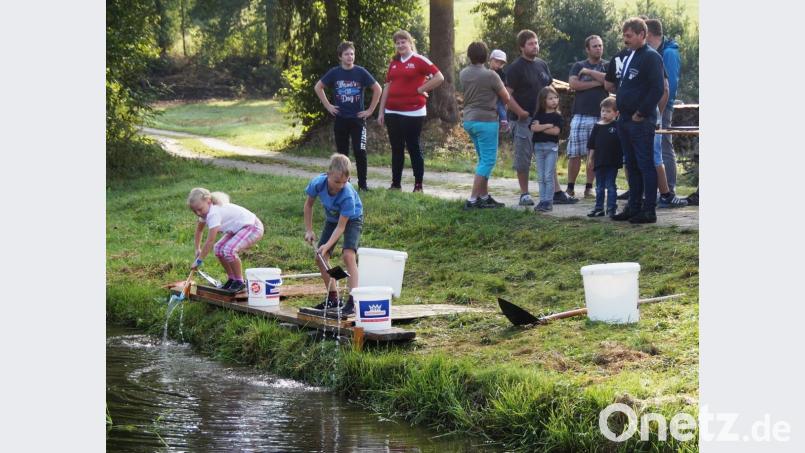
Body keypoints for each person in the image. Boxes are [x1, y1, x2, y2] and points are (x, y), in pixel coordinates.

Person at [505, 29, 577, 207]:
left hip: (545, 118)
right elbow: (506, 95)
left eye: (536, 42)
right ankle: (524, 194)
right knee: (524, 157)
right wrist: (520, 111)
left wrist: (554, 108)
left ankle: (556, 192)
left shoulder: (542, 64)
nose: (535, 46)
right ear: (522, 47)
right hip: (524, 120)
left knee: (549, 153)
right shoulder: (515, 68)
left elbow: (549, 88)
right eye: (531, 43)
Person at [609, 17, 665, 224]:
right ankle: (634, 207)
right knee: (631, 165)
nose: (626, 40)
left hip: (640, 121)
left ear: (643, 35)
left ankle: (649, 210)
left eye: (629, 36)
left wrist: (641, 112)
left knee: (645, 164)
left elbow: (658, 88)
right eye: (624, 36)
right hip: (624, 119)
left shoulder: (651, 57)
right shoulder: (631, 54)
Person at [377, 30, 445, 193]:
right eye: (397, 43)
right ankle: (395, 184)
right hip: (392, 111)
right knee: (396, 148)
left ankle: (418, 185)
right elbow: (387, 86)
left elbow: (439, 77)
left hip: (413, 112)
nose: (400, 45)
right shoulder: (393, 62)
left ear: (410, 42)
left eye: (403, 42)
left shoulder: (419, 60)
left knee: (413, 147)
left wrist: (421, 88)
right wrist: (381, 111)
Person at [314, 41, 383, 191]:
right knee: (342, 154)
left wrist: (370, 110)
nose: (350, 57)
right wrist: (328, 106)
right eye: (346, 54)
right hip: (341, 119)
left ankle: (363, 185)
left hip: (358, 120)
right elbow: (318, 87)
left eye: (352, 54)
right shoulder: (334, 73)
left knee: (360, 152)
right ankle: (345, 184)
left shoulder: (361, 72)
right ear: (340, 56)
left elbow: (377, 89)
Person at [303, 154, 364, 315]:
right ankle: (333, 298)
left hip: (352, 219)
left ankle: (352, 301)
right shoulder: (318, 183)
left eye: (345, 181)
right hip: (332, 219)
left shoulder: (347, 195)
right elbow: (308, 205)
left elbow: (341, 227)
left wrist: (327, 245)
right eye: (337, 181)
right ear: (328, 174)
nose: (341, 185)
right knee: (320, 258)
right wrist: (309, 230)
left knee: (348, 256)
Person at [459, 41, 512, 209]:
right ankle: (473, 199)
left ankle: (484, 195)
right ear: (486, 56)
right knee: (488, 161)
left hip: (469, 120)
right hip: (486, 121)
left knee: (483, 159)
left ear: (469, 56)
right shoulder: (491, 75)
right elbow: (506, 98)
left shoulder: (463, 73)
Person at [187, 188, 264, 293]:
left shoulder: (213, 214)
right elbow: (199, 231)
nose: (198, 213)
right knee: (218, 249)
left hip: (252, 227)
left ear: (208, 201)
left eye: (200, 209)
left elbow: (210, 240)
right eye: (194, 211)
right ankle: (232, 279)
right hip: (238, 229)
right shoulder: (205, 213)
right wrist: (197, 249)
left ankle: (240, 282)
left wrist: (199, 260)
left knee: (229, 250)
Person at [646, 18, 688, 209]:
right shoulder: (655, 51)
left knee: (664, 145)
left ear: (649, 34)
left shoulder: (669, 53)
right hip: (651, 105)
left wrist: (661, 109)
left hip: (663, 106)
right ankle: (655, 189)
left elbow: (668, 84)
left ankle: (669, 189)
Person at [567, 35, 609, 199]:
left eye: (600, 45)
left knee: (595, 153)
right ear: (587, 49)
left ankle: (589, 187)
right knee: (574, 153)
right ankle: (570, 187)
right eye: (595, 46)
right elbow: (574, 84)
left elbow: (611, 83)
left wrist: (591, 75)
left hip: (601, 116)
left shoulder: (607, 65)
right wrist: (598, 82)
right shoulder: (578, 65)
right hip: (580, 114)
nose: (598, 48)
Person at [586, 96, 622, 218]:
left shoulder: (617, 126)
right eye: (603, 111)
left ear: (616, 113)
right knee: (599, 187)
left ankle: (612, 209)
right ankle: (599, 208)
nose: (604, 114)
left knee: (611, 186)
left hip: (612, 161)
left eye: (608, 111)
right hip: (599, 161)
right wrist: (590, 158)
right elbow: (592, 145)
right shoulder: (597, 126)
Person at [530, 86, 564, 212]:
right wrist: (547, 125)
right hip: (538, 148)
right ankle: (542, 200)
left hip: (551, 148)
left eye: (556, 98)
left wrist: (541, 127)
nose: (554, 101)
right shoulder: (538, 115)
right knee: (540, 176)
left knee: (548, 175)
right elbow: (533, 128)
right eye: (551, 98)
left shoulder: (557, 116)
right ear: (543, 100)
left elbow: (556, 131)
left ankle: (548, 202)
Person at [488, 49, 509, 132]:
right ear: (490, 60)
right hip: (488, 98)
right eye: (496, 62)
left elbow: (505, 85)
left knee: (500, 106)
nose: (498, 65)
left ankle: (504, 121)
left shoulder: (501, 73)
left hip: (499, 95)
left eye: (501, 63)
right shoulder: (487, 72)